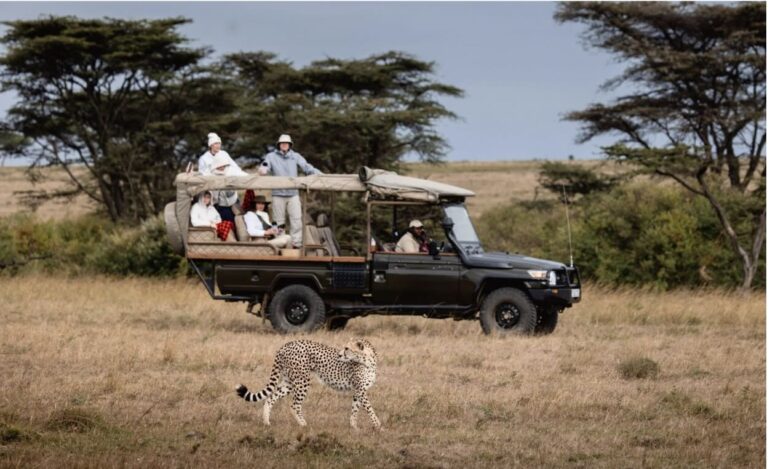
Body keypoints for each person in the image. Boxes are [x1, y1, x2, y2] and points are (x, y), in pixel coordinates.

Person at [258, 134, 322, 248]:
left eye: (286, 143)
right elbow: (265, 165)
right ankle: (280, 242)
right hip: (278, 193)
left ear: (290, 145)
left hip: (293, 194)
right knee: (278, 221)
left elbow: (307, 167)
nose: (284, 145)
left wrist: (320, 174)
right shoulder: (271, 156)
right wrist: (263, 169)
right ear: (279, 145)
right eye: (282, 143)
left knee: (296, 219)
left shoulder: (295, 156)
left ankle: (296, 244)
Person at [210, 152, 246, 223]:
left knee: (238, 222)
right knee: (227, 223)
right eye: (219, 165)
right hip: (222, 205)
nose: (222, 167)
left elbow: (244, 176)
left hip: (234, 202)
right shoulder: (212, 174)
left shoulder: (231, 170)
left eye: (223, 164)